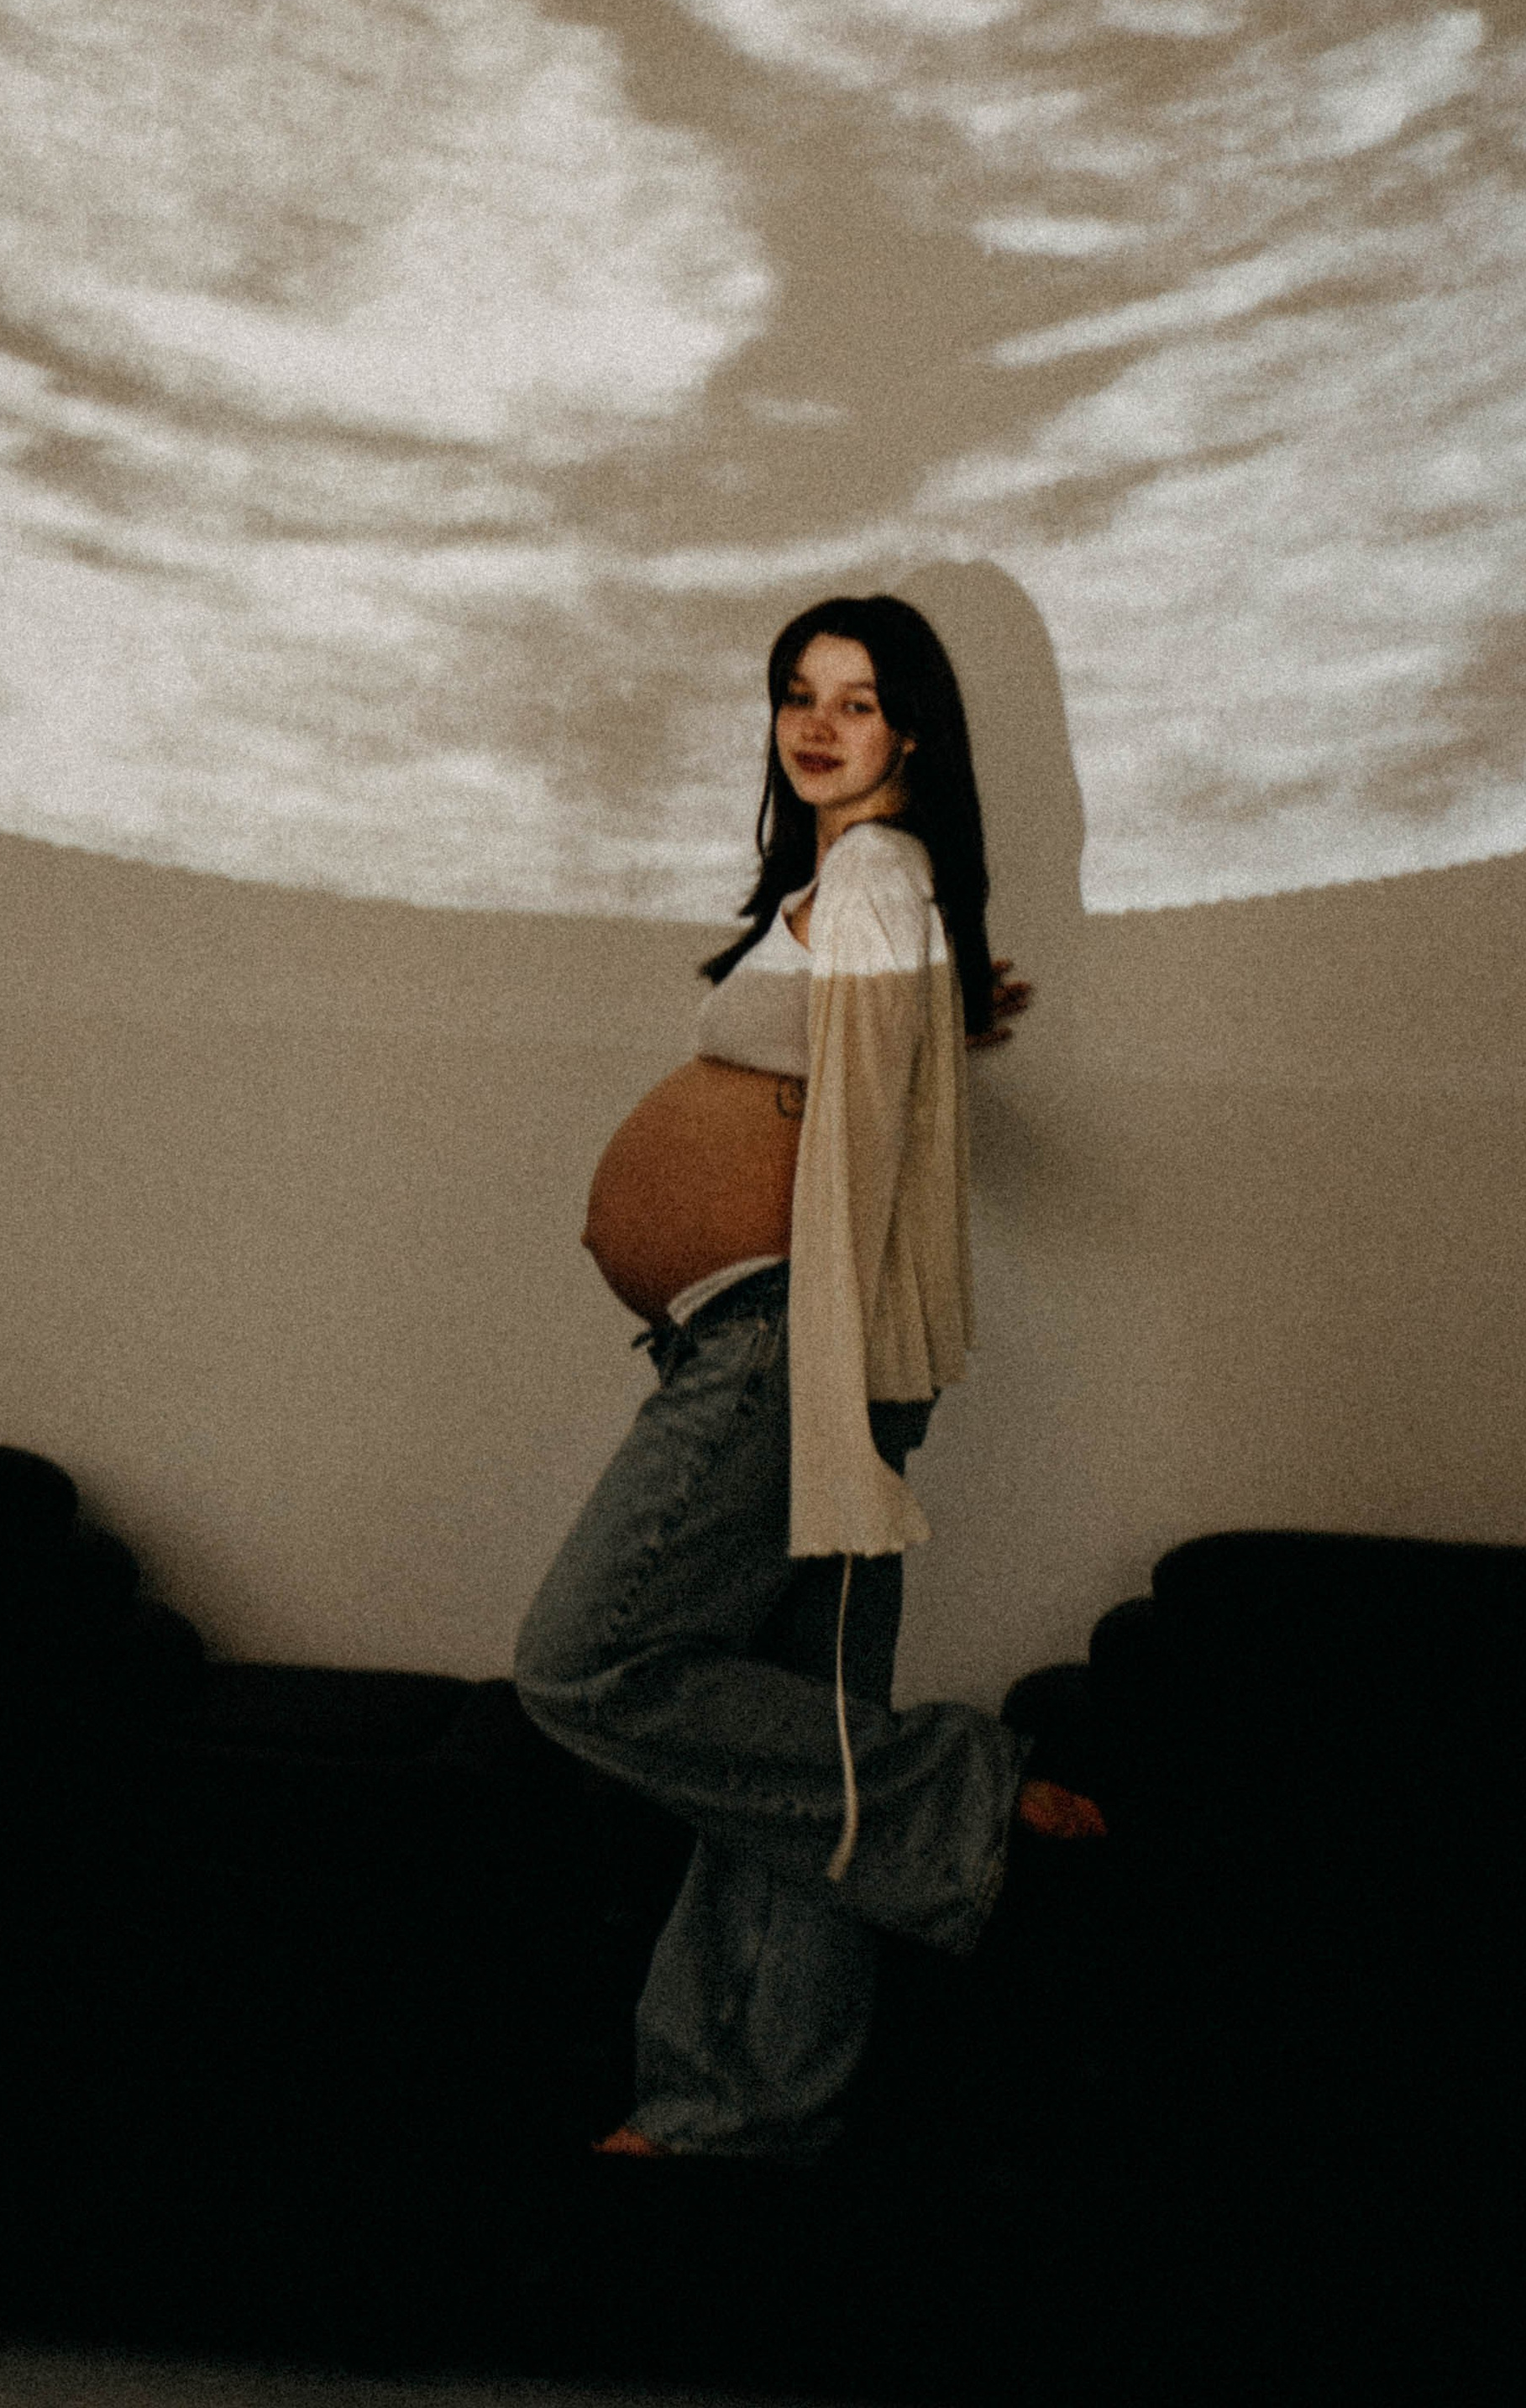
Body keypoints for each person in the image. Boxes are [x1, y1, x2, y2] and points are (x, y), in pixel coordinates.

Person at [512, 592, 1104, 2164]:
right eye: (799, 695)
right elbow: (868, 1077)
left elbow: (861, 1138)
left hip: (791, 1345)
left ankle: (965, 1797)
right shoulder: (861, 883)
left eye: (858, 700)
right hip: (773, 1339)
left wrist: (830, 1380)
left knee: (584, 1661)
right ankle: (737, 2113)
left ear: (911, 730)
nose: (820, 724)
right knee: (791, 1728)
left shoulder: (880, 872)